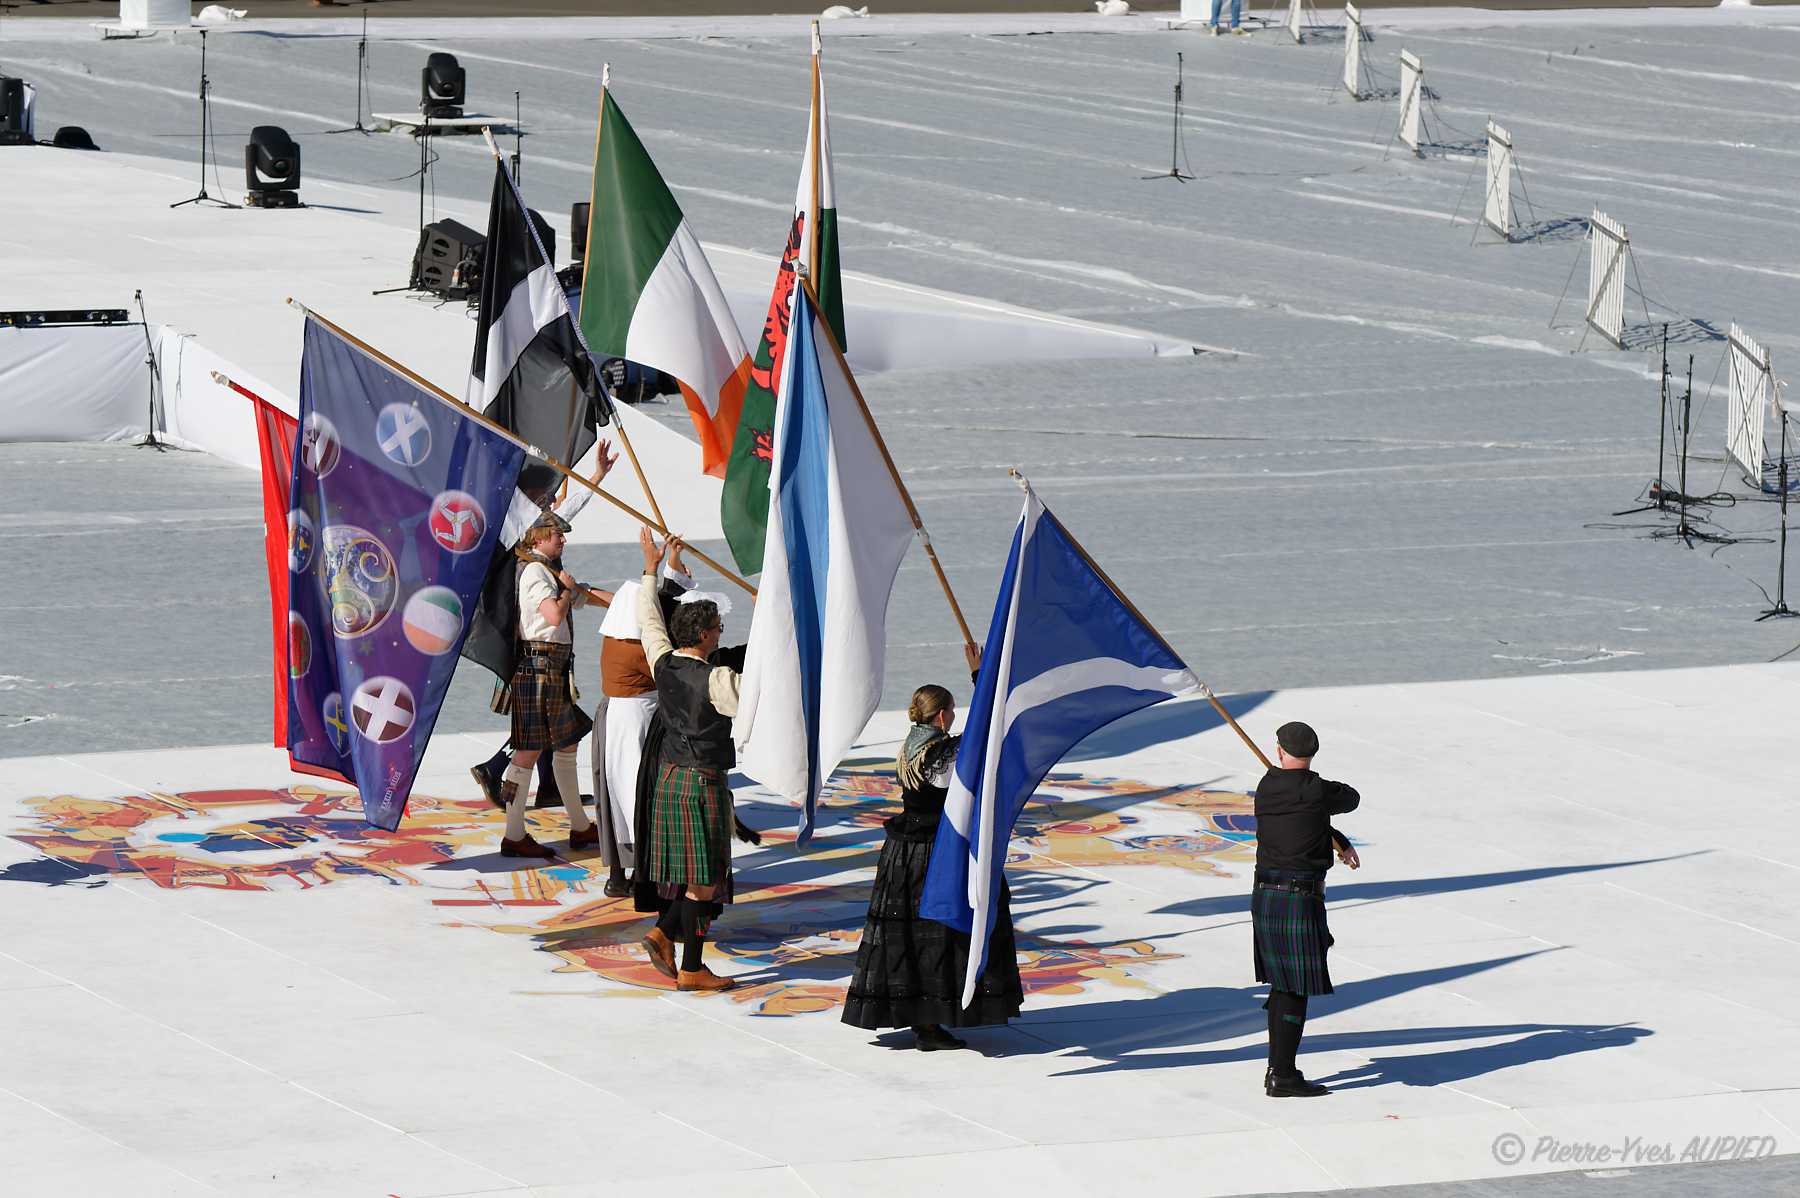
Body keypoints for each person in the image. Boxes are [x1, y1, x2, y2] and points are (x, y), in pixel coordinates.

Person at [842, 684, 1023, 1051]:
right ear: (941, 715)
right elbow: (986, 739)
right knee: (939, 934)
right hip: (934, 853)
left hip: (903, 853)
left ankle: (924, 1017)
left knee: (911, 935)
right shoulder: (943, 753)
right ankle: (931, 1018)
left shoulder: (910, 743)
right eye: (952, 710)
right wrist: (983, 681)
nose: (954, 717)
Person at [633, 530, 744, 993]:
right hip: (702, 782)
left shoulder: (663, 661)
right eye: (718, 628)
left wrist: (650, 568)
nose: (721, 634)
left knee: (692, 874)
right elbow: (756, 707)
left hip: (671, 779)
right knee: (705, 881)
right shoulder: (719, 679)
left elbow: (648, 620)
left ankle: (662, 934)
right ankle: (693, 969)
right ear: (703, 635)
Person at [1252, 720, 1362, 1097]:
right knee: (1292, 988)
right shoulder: (1318, 791)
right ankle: (1282, 1075)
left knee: (1285, 985)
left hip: (1267, 895)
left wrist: (1338, 839)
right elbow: (1351, 798)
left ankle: (1278, 1068)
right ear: (1311, 754)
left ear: (1279, 750)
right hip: (1299, 897)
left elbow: (1309, 817)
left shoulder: (1267, 787)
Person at [590, 540, 694, 897]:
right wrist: (657, 567)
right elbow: (659, 615)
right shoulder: (638, 645)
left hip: (618, 717)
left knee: (615, 796)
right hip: (637, 721)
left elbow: (658, 602)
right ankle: (642, 874)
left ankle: (619, 874)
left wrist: (667, 564)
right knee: (638, 795)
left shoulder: (619, 636)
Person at [496, 511, 600, 860]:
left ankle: (581, 826)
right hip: (538, 667)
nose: (563, 539)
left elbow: (581, 596)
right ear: (538, 537)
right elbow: (554, 615)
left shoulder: (549, 570)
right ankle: (513, 834)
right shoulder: (536, 572)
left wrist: (638, 599)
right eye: (558, 534)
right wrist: (568, 591)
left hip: (552, 669)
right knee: (527, 753)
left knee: (567, 744)